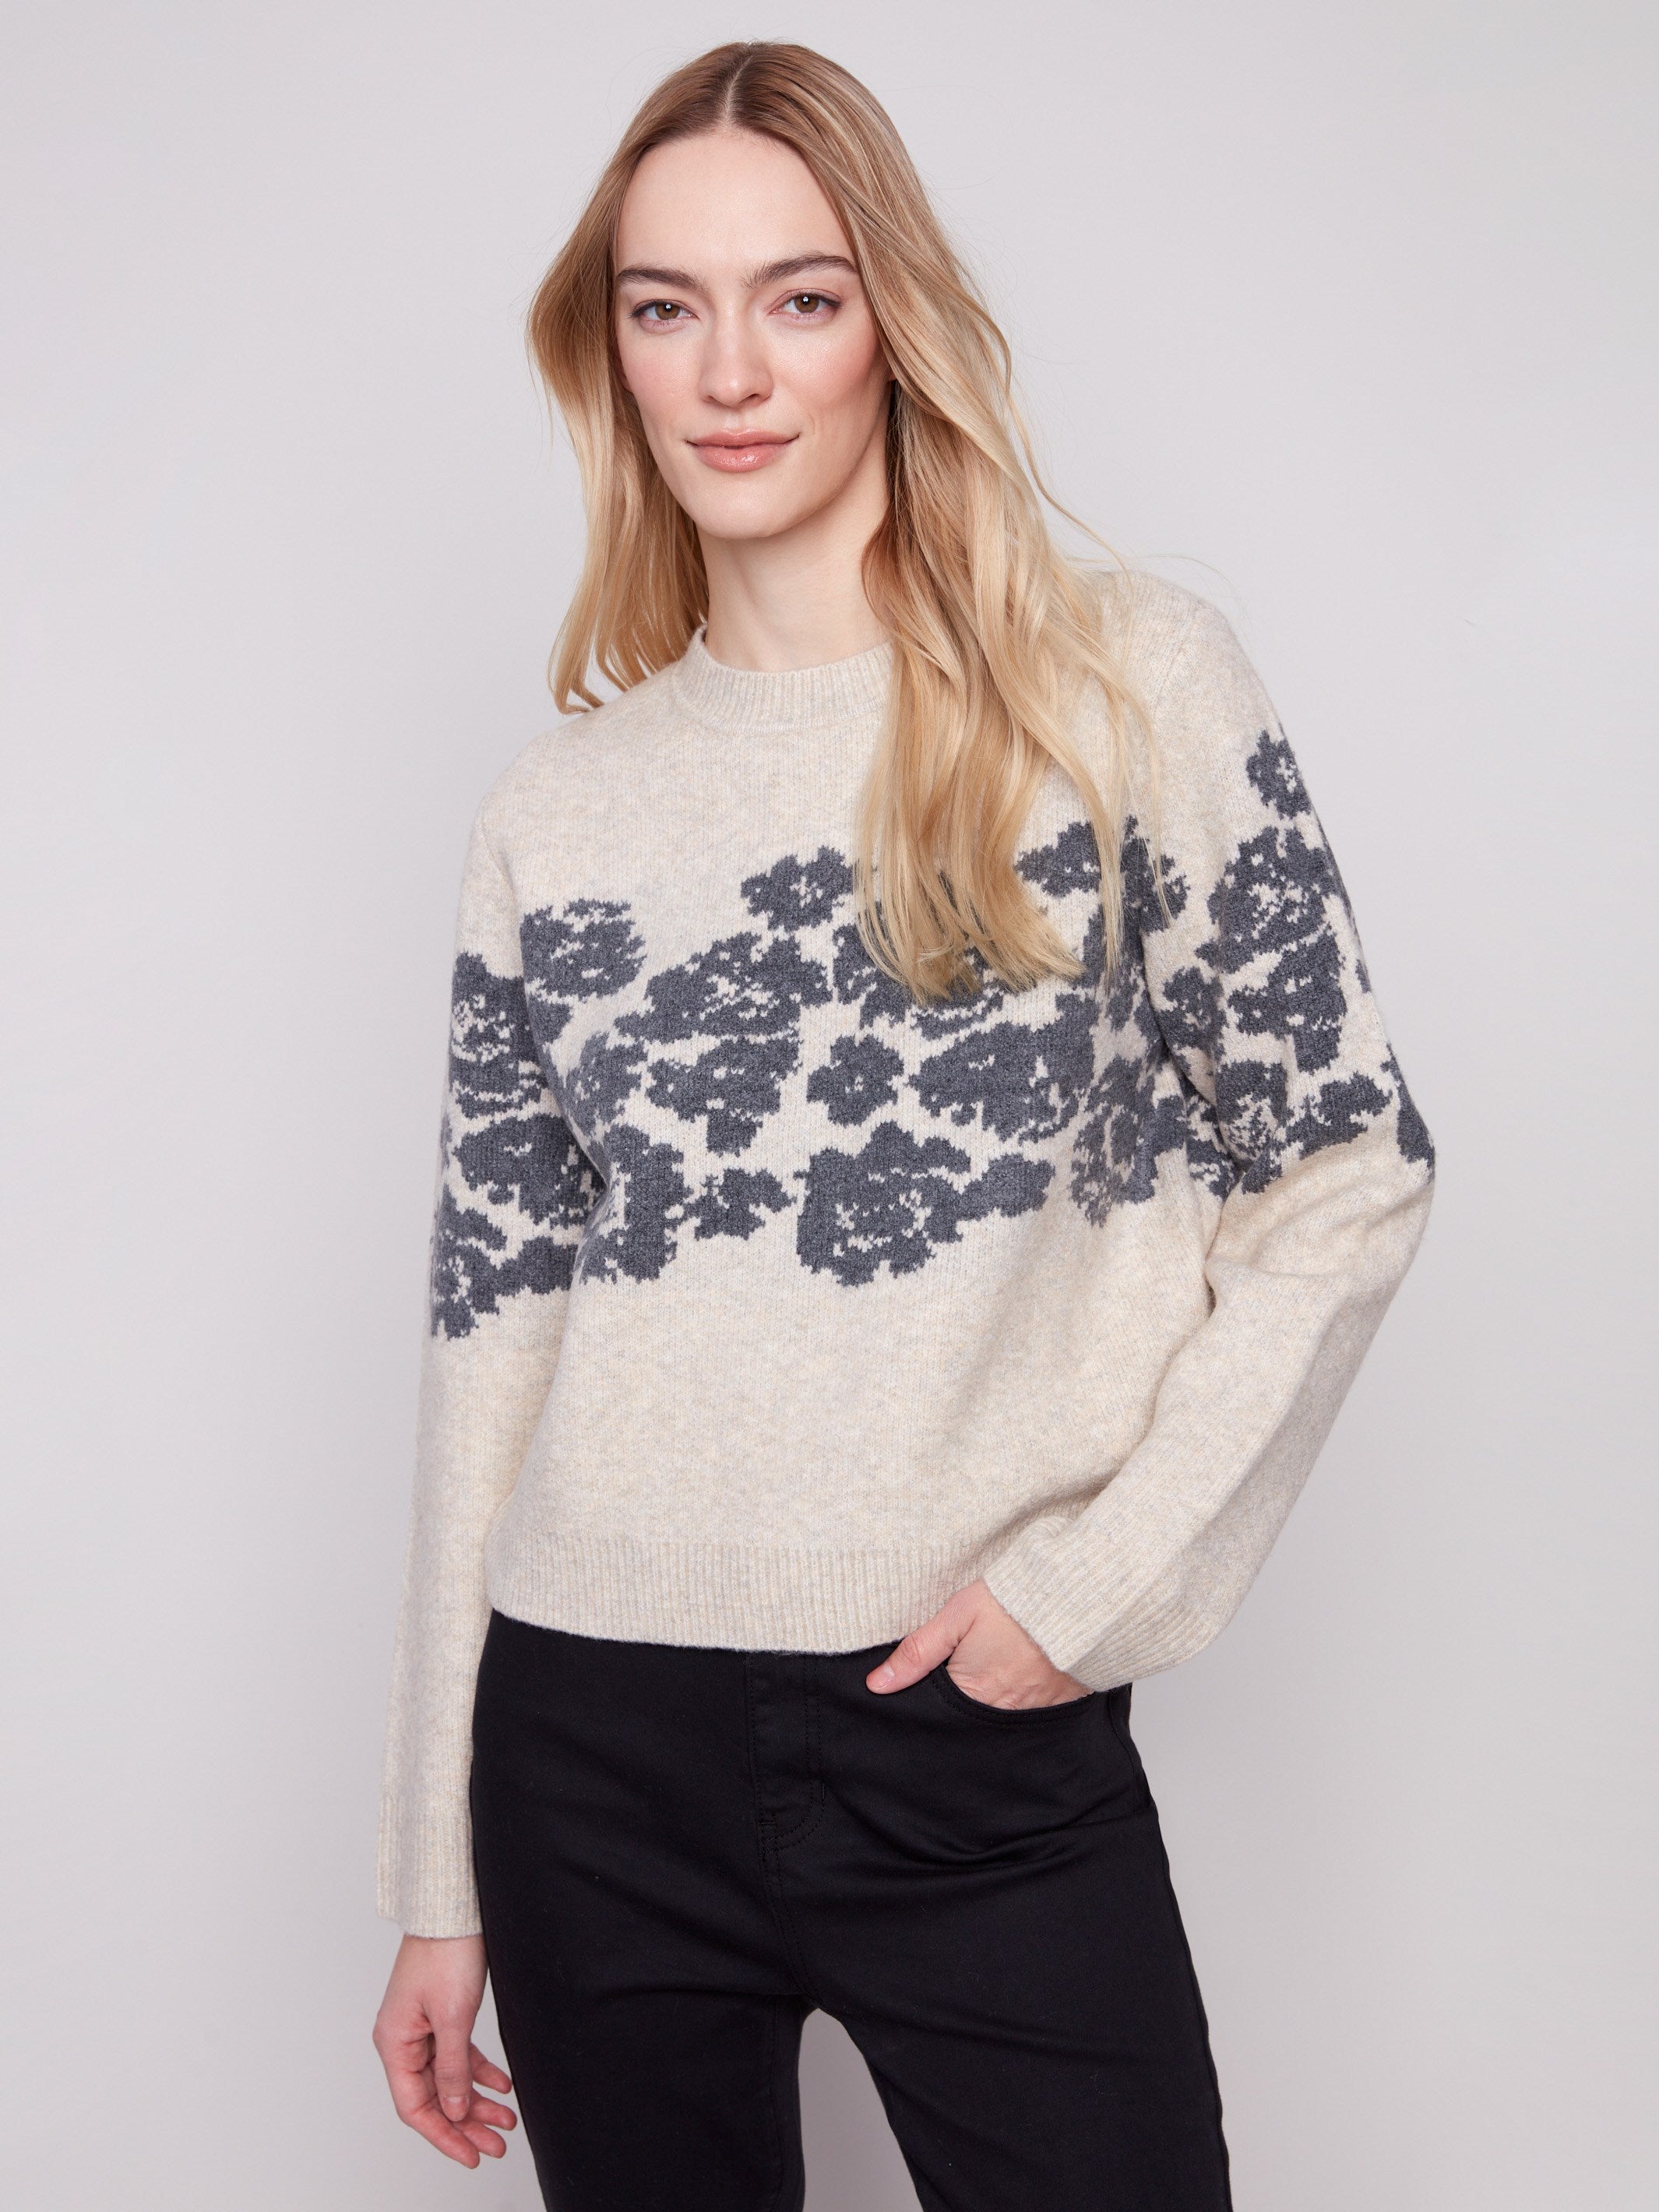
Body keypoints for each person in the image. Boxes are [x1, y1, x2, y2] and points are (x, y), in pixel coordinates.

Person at [371, 40, 1435, 2212]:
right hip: (589, 1754)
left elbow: (1341, 1169)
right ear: (607, 351)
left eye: (801, 297)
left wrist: (1089, 1591)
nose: (728, 373)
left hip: (969, 1736)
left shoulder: (1121, 689)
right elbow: (497, 1333)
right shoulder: (557, 813)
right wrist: (434, 1871)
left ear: (893, 325)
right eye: (664, 306)